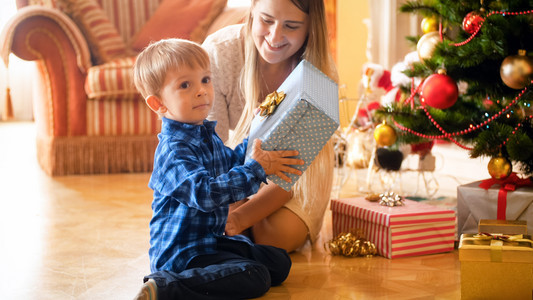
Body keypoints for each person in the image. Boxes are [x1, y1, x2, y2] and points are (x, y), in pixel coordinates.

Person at [132, 38, 305, 299]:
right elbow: (206, 194)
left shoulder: (204, 135)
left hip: (209, 241)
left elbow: (233, 162)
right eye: (185, 85)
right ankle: (167, 287)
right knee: (255, 276)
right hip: (182, 255)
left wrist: (260, 130)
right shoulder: (173, 151)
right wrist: (257, 169)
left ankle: (205, 276)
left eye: (205, 79)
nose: (201, 91)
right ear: (159, 104)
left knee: (279, 263)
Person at [202, 0, 338, 252]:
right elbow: (210, 148)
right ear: (252, 10)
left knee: (272, 237)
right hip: (239, 163)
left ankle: (242, 224)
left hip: (296, 177)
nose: (275, 36)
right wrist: (235, 194)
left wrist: (240, 217)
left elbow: (293, 168)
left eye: (292, 25)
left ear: (310, 27)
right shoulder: (220, 52)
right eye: (266, 20)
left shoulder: (319, 72)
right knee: (226, 220)